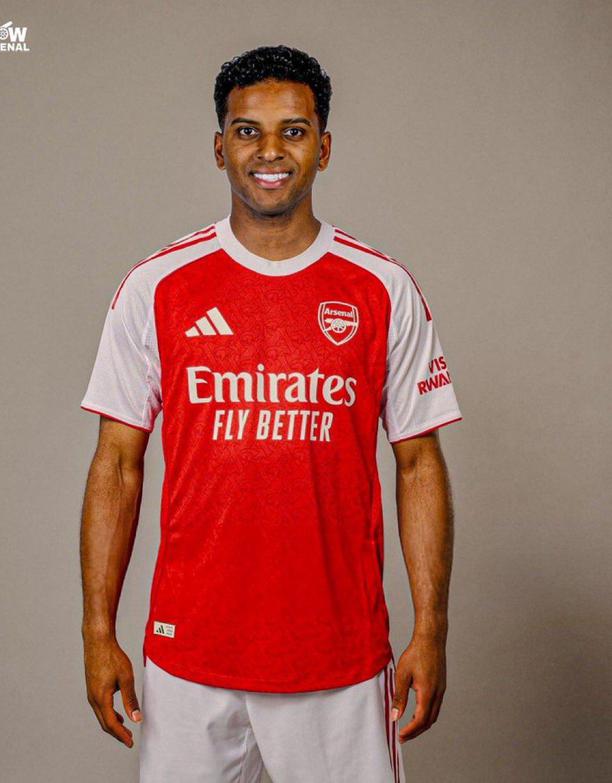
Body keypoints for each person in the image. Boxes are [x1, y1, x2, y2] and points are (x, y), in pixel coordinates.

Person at [79, 44, 462, 783]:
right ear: (220, 147)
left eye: (294, 130)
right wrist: (99, 630)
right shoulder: (158, 285)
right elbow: (117, 465)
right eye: (248, 131)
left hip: (337, 657)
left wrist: (432, 627)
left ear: (325, 147)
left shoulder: (382, 287)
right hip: (189, 655)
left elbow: (419, 463)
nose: (270, 151)